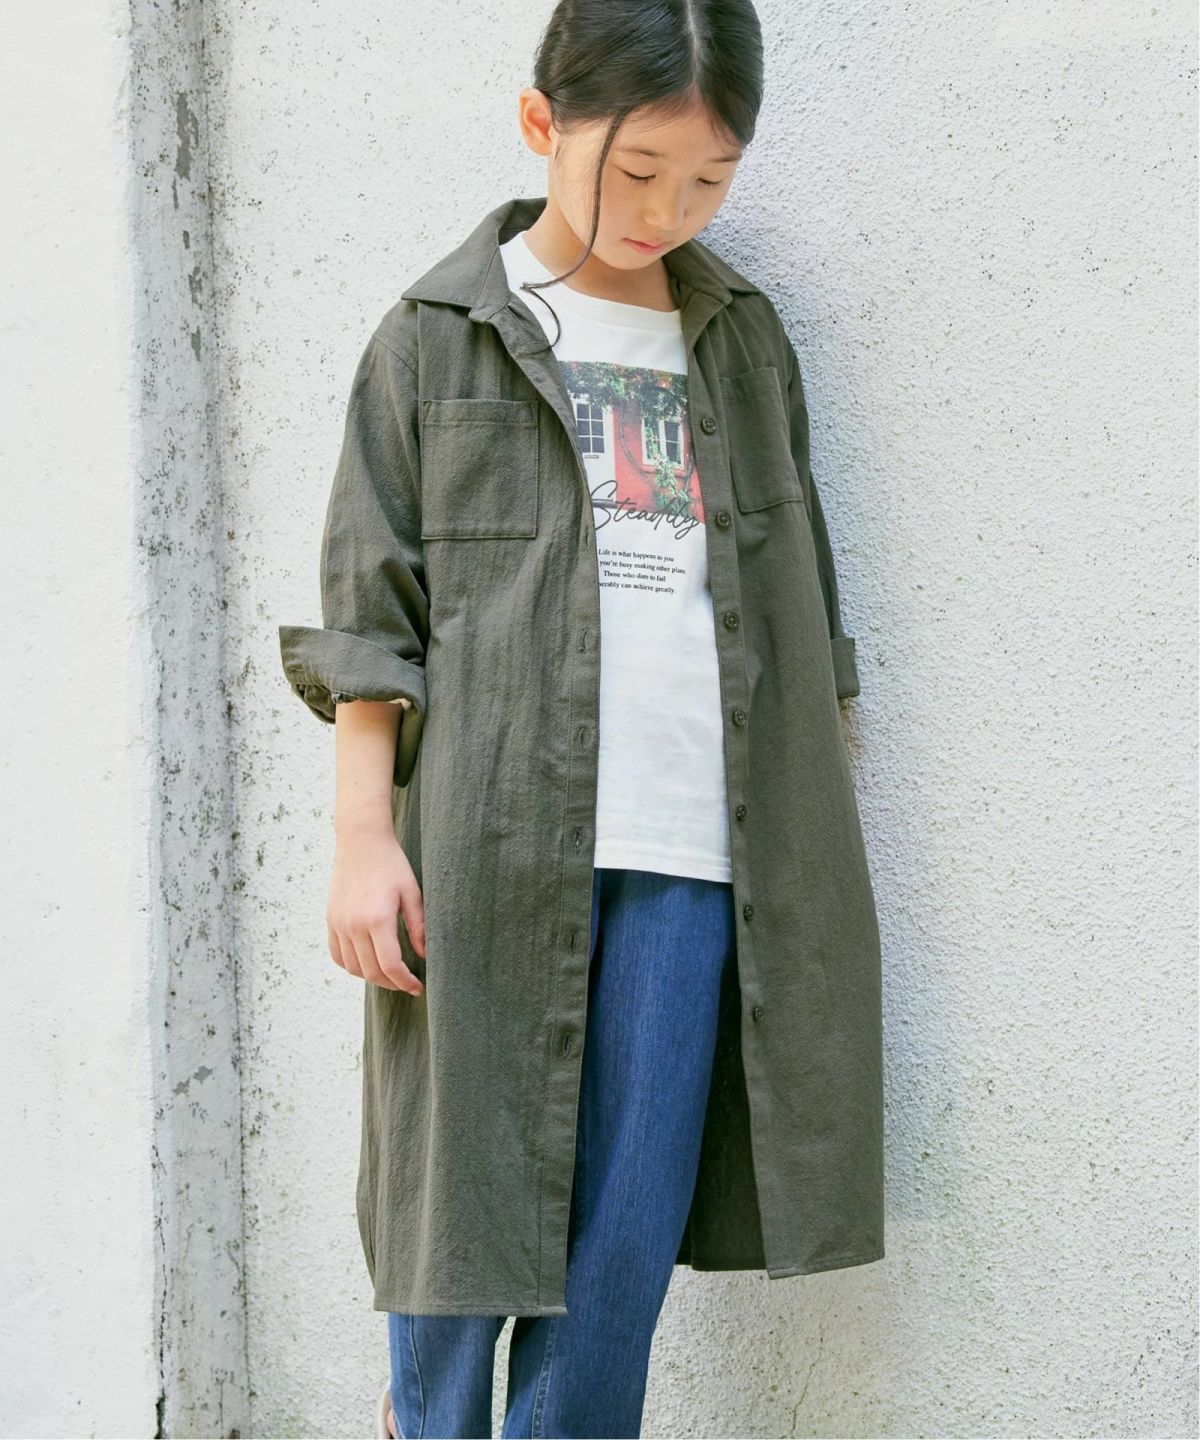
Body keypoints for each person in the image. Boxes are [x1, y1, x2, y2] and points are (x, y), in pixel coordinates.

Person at [278, 1, 885, 1436]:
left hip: (695, 854)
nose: (666, 212)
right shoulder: (436, 338)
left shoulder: (741, 340)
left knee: (620, 1244)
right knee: (454, 1210)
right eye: (638, 171)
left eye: (709, 180)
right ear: (542, 123)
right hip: (481, 842)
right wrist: (363, 840)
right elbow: (373, 612)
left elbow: (801, 607)